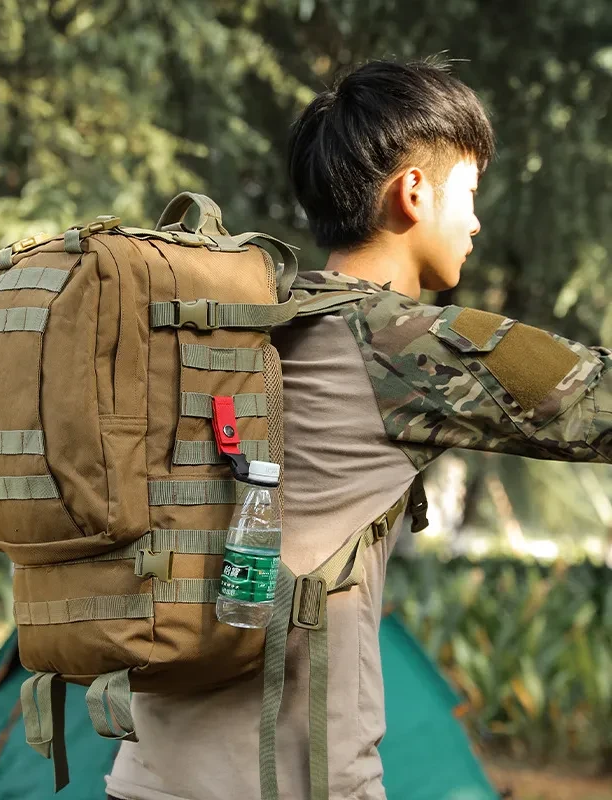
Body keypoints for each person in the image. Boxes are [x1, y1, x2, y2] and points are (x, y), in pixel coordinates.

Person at [105, 58, 611, 800]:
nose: (476, 221)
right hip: (292, 784)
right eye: (470, 193)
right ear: (414, 192)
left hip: (143, 778)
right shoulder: (402, 344)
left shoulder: (239, 326)